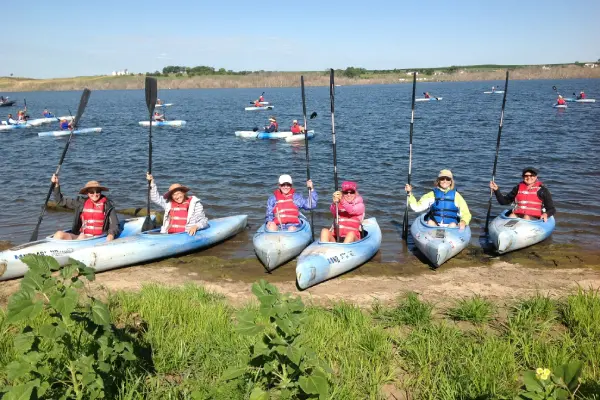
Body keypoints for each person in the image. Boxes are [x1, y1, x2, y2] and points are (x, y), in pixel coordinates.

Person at [51, 174, 120, 241]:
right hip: (82, 236)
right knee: (58, 234)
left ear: (101, 192)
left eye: (98, 191)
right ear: (87, 193)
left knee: (82, 237)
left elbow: (114, 225)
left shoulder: (107, 205)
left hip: (98, 238)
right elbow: (60, 201)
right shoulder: (81, 203)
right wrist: (56, 184)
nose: (95, 194)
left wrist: (111, 234)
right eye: (91, 192)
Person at [404, 169, 471, 229]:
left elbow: (466, 213)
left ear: (451, 181)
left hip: (451, 227)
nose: (445, 181)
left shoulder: (456, 196)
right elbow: (417, 207)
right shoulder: (431, 194)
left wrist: (463, 221)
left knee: (453, 225)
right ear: (438, 181)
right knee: (430, 222)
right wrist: (410, 194)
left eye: (448, 179)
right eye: (442, 178)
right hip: (435, 225)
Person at [489, 167, 555, 222]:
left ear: (536, 177)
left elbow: (552, 209)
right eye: (526, 176)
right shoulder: (517, 188)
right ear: (522, 177)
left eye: (531, 175)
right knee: (512, 215)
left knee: (526, 217)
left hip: (534, 218)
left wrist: (546, 214)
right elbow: (503, 202)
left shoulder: (543, 190)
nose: (529, 178)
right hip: (518, 214)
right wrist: (496, 190)